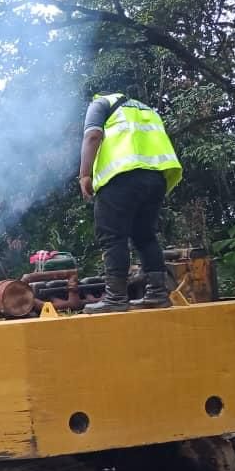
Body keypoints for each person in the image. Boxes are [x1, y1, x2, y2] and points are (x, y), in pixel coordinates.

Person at [78, 92, 183, 313]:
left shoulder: (100, 103)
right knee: (144, 235)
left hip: (122, 175)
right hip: (156, 178)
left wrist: (85, 175)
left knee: (112, 235)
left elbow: (92, 136)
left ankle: (116, 297)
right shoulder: (145, 109)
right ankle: (157, 293)